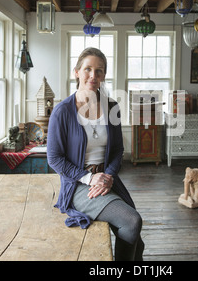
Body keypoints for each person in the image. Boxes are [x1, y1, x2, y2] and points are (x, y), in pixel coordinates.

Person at [47, 47, 144, 261]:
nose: (93, 75)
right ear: (77, 72)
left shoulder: (112, 107)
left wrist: (107, 176)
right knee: (131, 221)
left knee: (133, 232)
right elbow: (54, 158)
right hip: (78, 184)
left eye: (99, 71)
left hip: (108, 179)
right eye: (88, 69)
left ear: (104, 76)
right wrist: (90, 178)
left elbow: (118, 149)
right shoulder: (62, 111)